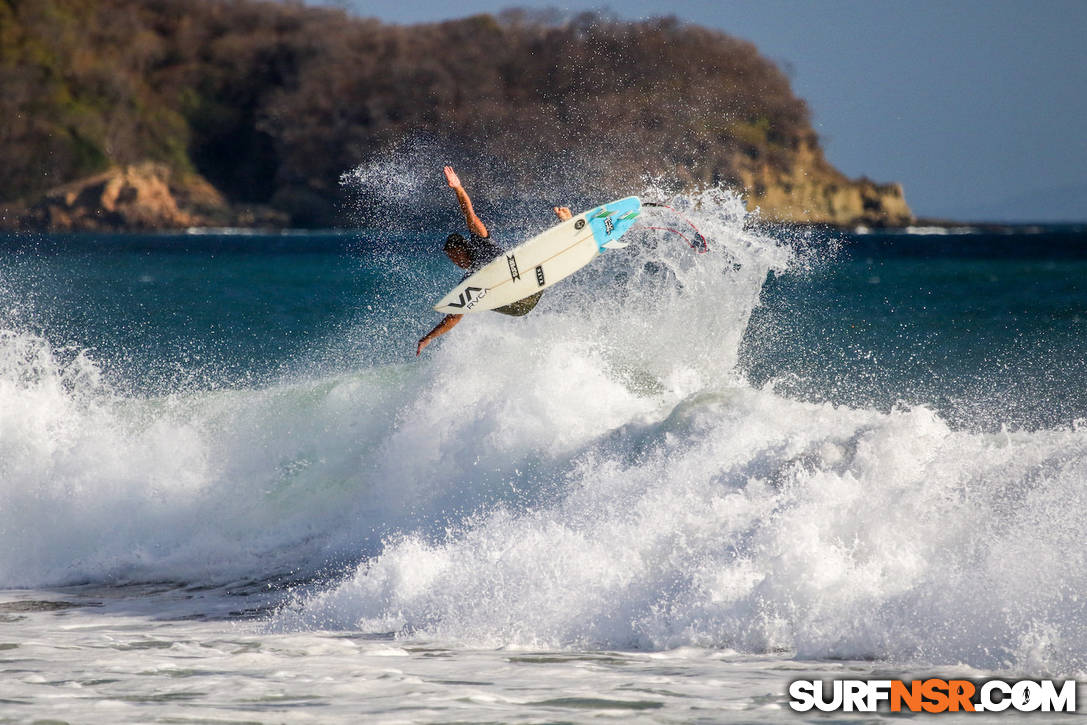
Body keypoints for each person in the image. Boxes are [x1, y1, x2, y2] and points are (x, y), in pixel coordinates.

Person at [416, 166, 572, 356]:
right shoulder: (470, 281)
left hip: (529, 285)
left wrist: (458, 188)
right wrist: (430, 337)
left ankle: (567, 227)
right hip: (517, 306)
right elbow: (454, 317)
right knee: (470, 300)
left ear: (462, 248)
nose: (455, 262)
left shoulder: (482, 243)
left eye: (454, 256)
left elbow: (469, 214)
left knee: (535, 257)